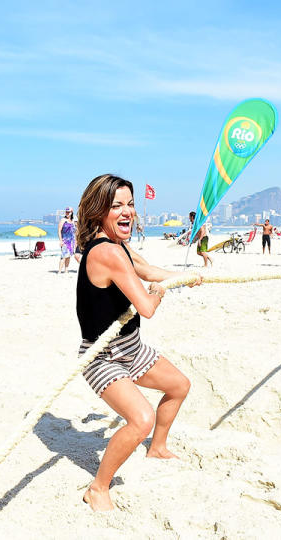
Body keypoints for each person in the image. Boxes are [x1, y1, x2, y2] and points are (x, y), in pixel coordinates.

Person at [74, 174, 200, 511]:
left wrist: (184, 278)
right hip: (101, 357)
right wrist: (162, 291)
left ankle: (157, 447)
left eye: (130, 204)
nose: (127, 211)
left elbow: (148, 270)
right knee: (140, 419)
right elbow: (146, 305)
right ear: (99, 211)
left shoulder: (119, 246)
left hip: (131, 348)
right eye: (116, 206)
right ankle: (98, 488)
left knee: (179, 386)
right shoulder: (105, 252)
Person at [58, 206, 77, 273]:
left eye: (68, 212)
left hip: (72, 241)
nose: (67, 213)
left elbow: (75, 232)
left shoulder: (73, 221)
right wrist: (60, 240)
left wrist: (76, 243)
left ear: (71, 212)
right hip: (65, 240)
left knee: (68, 256)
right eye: (66, 212)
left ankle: (66, 270)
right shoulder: (63, 220)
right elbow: (59, 230)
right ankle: (59, 271)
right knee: (63, 256)